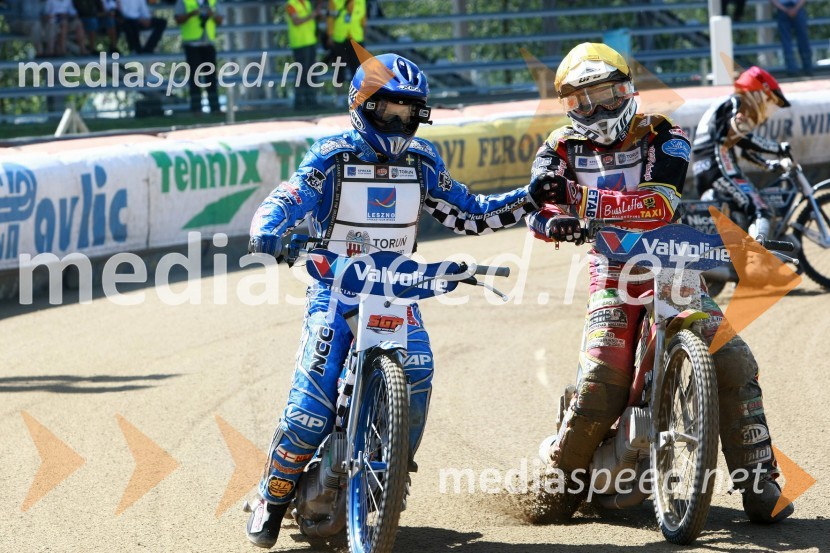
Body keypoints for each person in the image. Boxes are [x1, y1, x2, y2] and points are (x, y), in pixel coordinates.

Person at [245, 53, 546, 548]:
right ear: (361, 105)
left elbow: (468, 212)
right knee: (307, 413)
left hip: (398, 292)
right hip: (336, 289)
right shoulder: (332, 155)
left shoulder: (423, 160)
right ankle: (270, 499)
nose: (399, 122)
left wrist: (529, 197)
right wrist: (269, 230)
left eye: (409, 113)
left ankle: (390, 473)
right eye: (389, 111)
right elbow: (289, 195)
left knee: (422, 370)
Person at [526, 43, 793, 524]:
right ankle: (561, 483)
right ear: (568, 106)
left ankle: (761, 480)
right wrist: (551, 222)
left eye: (608, 93)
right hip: (612, 271)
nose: (598, 108)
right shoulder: (558, 147)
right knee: (601, 380)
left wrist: (577, 199)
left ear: (628, 89)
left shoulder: (665, 135)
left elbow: (658, 205)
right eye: (583, 101)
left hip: (671, 262)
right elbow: (538, 206)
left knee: (733, 357)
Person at [692, 66, 791, 241]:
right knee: (761, 209)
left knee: (741, 211)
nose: (768, 109)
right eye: (769, 101)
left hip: (704, 169)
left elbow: (744, 150)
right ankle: (757, 260)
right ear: (759, 93)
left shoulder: (725, 104)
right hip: (719, 166)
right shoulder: (736, 102)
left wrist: (769, 165)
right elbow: (741, 136)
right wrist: (778, 149)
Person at [174, 0, 223, 114]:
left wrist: (213, 14)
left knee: (211, 77)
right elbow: (177, 19)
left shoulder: (212, 1)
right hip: (191, 44)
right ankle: (196, 108)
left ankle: (215, 108)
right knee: (194, 77)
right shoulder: (184, 1)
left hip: (208, 43)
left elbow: (220, 20)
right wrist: (191, 14)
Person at [285, 0, 320, 110]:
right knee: (302, 72)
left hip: (310, 41)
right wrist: (312, 16)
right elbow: (296, 21)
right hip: (299, 43)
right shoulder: (291, 4)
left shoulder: (306, 2)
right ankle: (300, 101)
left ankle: (311, 100)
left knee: (311, 72)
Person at [771, 0, 813, 77]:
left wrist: (787, 9)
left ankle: (795, 69)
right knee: (799, 40)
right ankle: (805, 68)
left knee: (792, 41)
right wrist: (793, 9)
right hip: (791, 9)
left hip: (787, 9)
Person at [327, 0, 365, 83]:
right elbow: (330, 18)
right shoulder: (334, 1)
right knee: (339, 70)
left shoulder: (361, 1)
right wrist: (330, 35)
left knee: (357, 69)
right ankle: (339, 95)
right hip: (339, 38)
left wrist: (362, 32)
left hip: (356, 37)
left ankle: (356, 94)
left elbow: (363, 18)